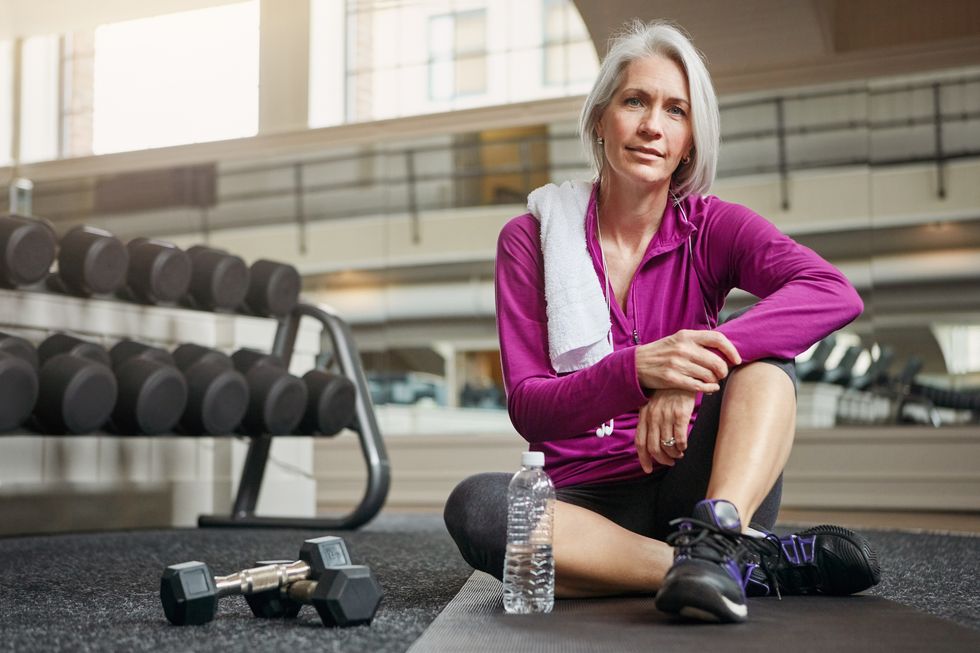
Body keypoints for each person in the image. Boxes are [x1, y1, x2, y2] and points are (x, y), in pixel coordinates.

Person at [444, 19, 880, 623]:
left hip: (696, 485)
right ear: (601, 119)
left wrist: (689, 368)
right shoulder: (531, 239)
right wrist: (640, 369)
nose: (653, 125)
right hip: (585, 501)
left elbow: (831, 292)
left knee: (766, 364)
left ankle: (716, 538)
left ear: (690, 141)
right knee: (480, 509)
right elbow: (531, 407)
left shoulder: (712, 226)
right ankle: (735, 565)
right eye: (635, 101)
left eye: (676, 111)